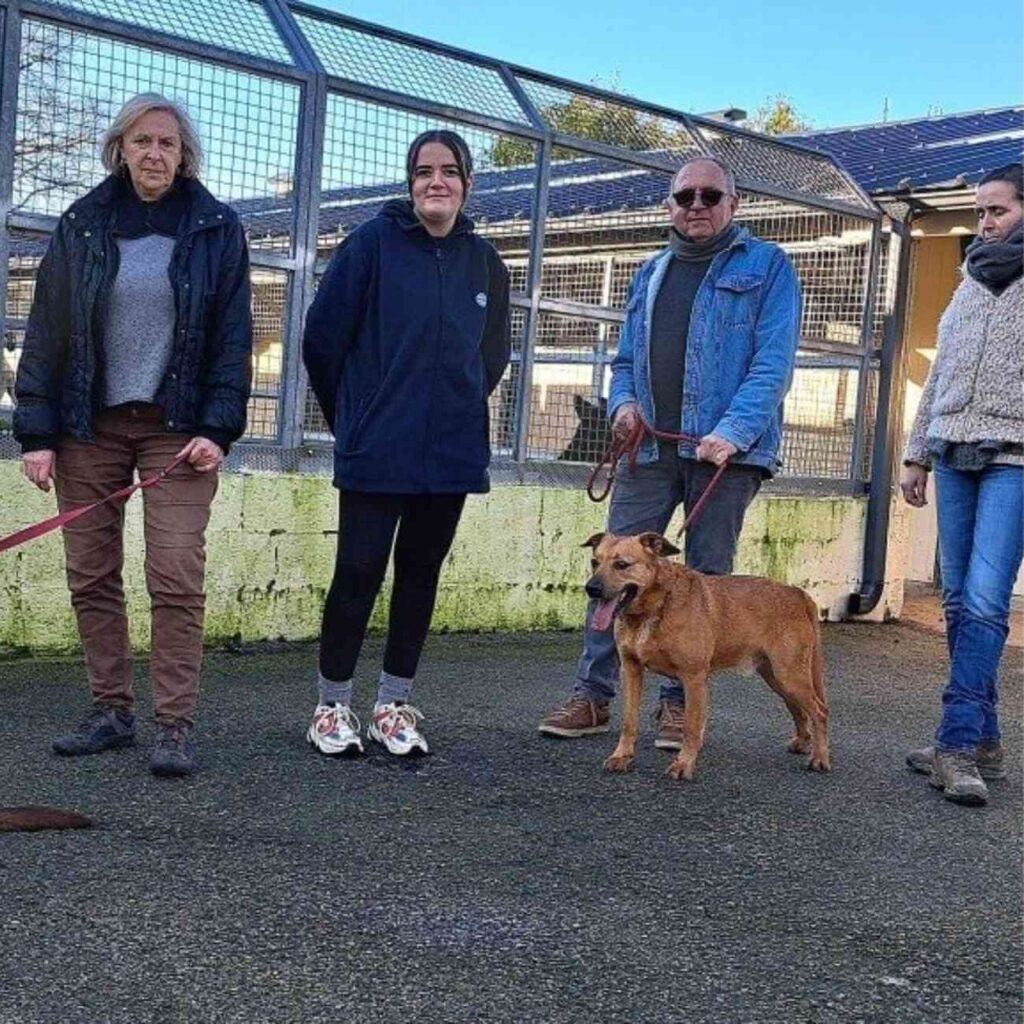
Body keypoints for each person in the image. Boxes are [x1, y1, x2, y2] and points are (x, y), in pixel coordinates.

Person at [14, 93, 253, 777]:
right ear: (121, 147)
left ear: (184, 156)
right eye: (143, 141)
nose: (155, 154)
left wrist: (219, 426)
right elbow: (47, 330)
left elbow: (234, 337)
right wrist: (37, 431)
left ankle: (173, 725)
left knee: (175, 574)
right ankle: (110, 711)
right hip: (88, 425)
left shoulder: (214, 228)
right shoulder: (83, 223)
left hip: (177, 431)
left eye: (168, 144)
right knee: (91, 574)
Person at [539, 156, 802, 748]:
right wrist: (623, 407)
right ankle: (593, 696)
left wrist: (733, 431)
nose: (698, 206)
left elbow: (772, 363)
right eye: (686, 197)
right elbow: (626, 360)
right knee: (614, 570)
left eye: (711, 196)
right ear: (670, 206)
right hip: (648, 449)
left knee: (703, 579)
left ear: (734, 204)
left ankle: (678, 704)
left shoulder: (768, 266)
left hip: (725, 455)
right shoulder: (651, 272)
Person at [303, 129, 511, 758]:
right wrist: (357, 420)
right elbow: (322, 341)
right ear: (410, 182)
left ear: (467, 184)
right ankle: (330, 706)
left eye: (449, 171)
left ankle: (393, 706)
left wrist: (456, 406)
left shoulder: (487, 264)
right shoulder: (371, 245)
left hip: (448, 453)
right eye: (424, 171)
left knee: (420, 574)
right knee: (358, 573)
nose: (436, 181)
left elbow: (492, 357)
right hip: (377, 448)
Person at [902, 163, 1023, 807]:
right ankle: (984, 741)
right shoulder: (967, 281)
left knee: (984, 601)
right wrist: (916, 454)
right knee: (956, 602)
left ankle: (954, 746)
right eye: (981, 212)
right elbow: (940, 372)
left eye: (998, 211)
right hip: (950, 454)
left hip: (1013, 460)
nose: (985, 222)